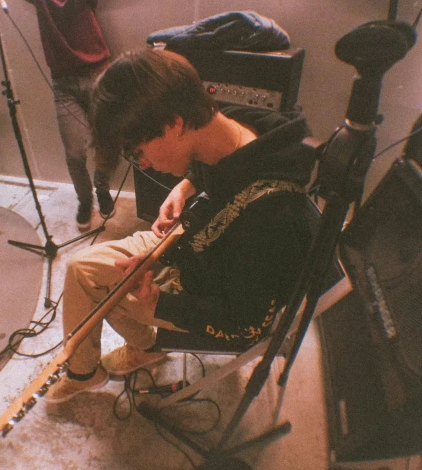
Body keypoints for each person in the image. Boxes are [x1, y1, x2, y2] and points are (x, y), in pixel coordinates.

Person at [44, 47, 317, 402]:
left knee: (106, 289)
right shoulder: (230, 124)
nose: (141, 164)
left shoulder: (268, 216)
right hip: (196, 242)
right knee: (82, 269)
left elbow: (247, 324)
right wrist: (185, 187)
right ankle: (105, 365)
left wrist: (159, 303)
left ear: (174, 124)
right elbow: (224, 169)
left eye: (137, 151)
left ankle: (135, 349)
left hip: (210, 288)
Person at [0, 0, 114, 230]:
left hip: (99, 73)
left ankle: (101, 186)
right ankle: (86, 202)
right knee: (74, 153)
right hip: (64, 83)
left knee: (109, 141)